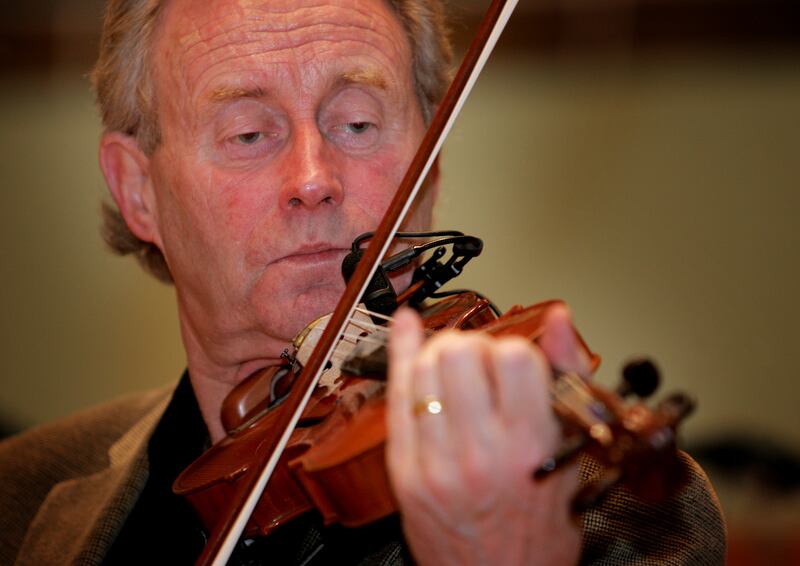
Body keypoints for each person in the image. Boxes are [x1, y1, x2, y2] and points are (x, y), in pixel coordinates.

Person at [0, 0, 725, 564]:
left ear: (428, 169)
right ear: (139, 192)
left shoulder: (614, 509)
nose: (313, 180)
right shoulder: (19, 494)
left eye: (357, 123)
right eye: (250, 134)